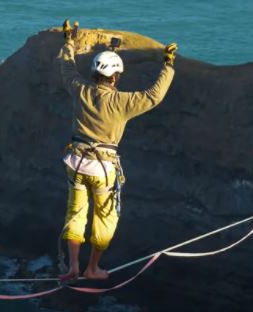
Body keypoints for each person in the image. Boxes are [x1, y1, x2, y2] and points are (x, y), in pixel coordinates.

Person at [57, 19, 177, 280]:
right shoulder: (123, 102)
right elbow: (153, 95)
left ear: (94, 73)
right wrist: (167, 65)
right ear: (115, 76)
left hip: (75, 162)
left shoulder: (79, 90)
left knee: (75, 213)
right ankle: (92, 269)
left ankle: (73, 266)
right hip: (103, 168)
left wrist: (68, 41)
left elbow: (67, 68)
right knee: (105, 218)